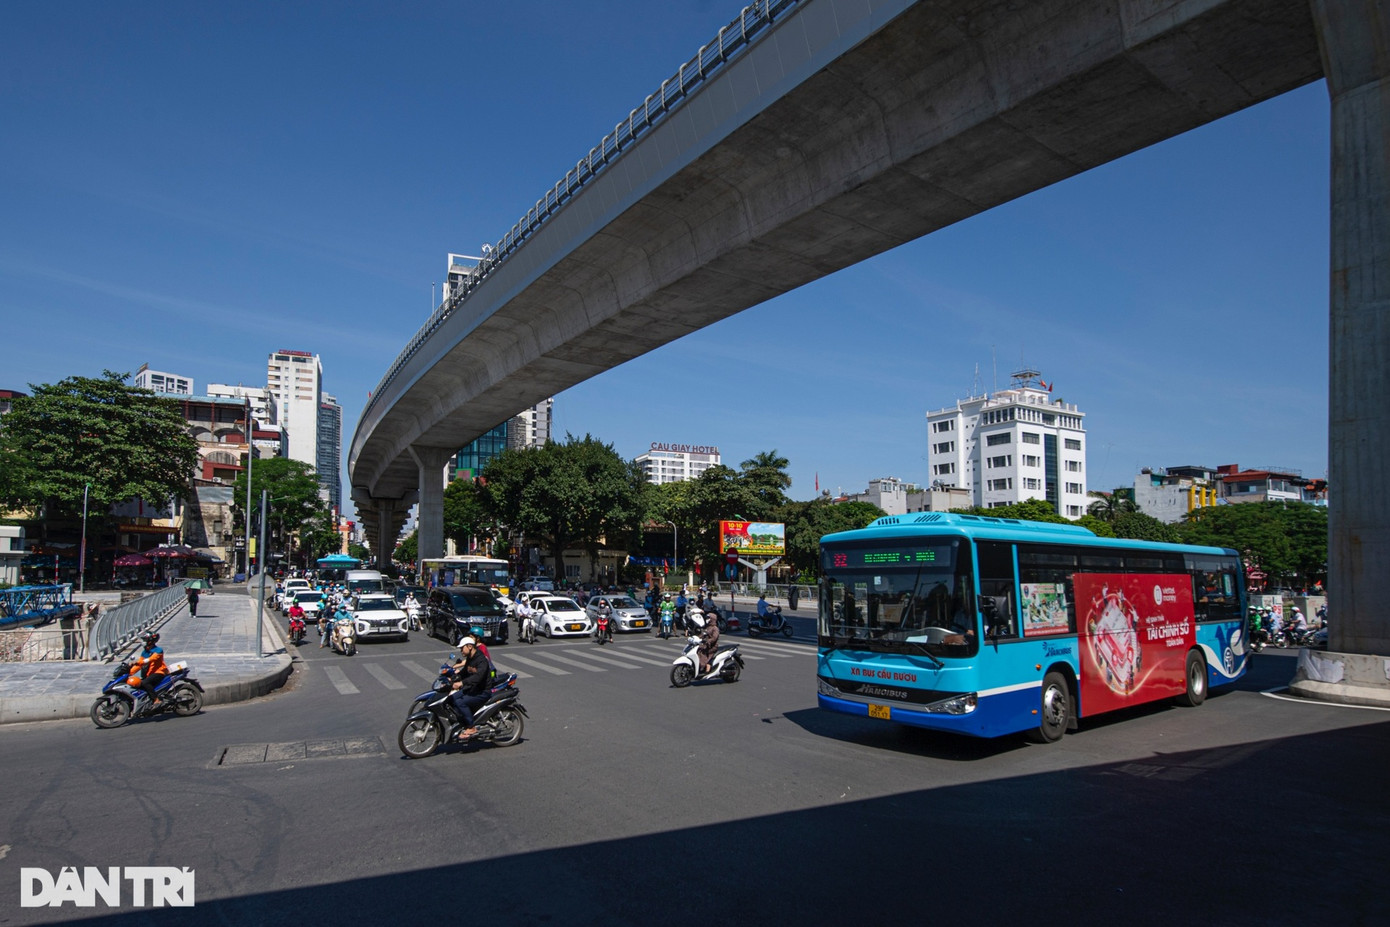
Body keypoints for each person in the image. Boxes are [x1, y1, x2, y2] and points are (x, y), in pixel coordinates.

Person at [449, 637, 493, 741]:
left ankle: (471, 727)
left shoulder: (481, 660)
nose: (461, 651)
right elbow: (465, 672)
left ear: (469, 647)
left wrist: (461, 683)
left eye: (462, 648)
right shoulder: (470, 658)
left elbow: (478, 677)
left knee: (461, 703)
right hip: (472, 689)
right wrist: (452, 678)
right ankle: (461, 723)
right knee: (452, 698)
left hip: (482, 691)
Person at [129, 632, 168, 712]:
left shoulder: (158, 650)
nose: (143, 642)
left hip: (159, 672)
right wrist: (129, 672)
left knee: (145, 683)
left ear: (150, 641)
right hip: (149, 674)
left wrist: (138, 662)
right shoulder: (145, 652)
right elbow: (139, 665)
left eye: (144, 640)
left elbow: (150, 659)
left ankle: (156, 700)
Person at [696, 607, 720, 675]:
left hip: (712, 646)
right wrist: (696, 638)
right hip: (706, 645)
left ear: (712, 619)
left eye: (708, 618)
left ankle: (706, 668)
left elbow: (714, 638)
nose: (707, 619)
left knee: (703, 652)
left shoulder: (715, 628)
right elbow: (703, 634)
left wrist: (708, 641)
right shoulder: (708, 627)